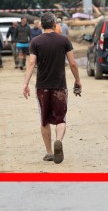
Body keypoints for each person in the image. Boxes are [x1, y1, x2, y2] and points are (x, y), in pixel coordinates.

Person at [22, 12, 81, 164]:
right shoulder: (64, 40)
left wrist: (25, 84)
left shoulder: (35, 41)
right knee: (60, 118)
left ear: (41, 25)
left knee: (44, 120)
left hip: (42, 86)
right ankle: (59, 141)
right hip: (60, 86)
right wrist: (77, 80)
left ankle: (49, 152)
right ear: (55, 24)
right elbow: (73, 63)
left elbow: (31, 63)